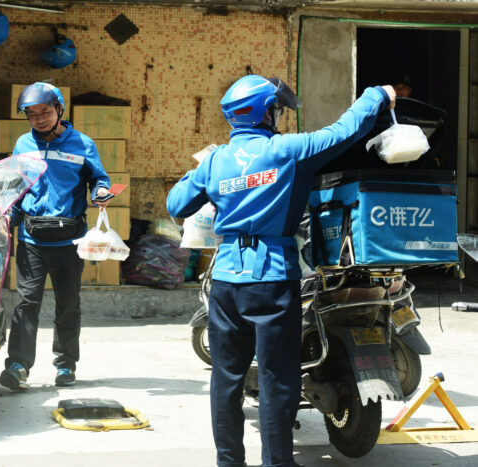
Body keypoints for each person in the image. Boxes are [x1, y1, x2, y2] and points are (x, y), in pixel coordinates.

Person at [166, 75, 396, 467]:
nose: (277, 116)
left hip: (225, 282)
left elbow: (176, 205)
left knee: (226, 380)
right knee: (278, 382)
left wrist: (213, 180)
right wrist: (378, 95)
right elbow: (344, 130)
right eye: (275, 109)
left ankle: (229, 462)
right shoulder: (289, 149)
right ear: (265, 113)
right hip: (272, 280)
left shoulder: (216, 160)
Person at [0, 83, 112, 390]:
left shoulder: (83, 144)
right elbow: (15, 186)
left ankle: (65, 365)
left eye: (45, 112)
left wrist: (101, 191)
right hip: (32, 239)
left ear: (59, 109)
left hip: (69, 241)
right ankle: (18, 365)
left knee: (68, 304)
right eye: (32, 114)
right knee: (26, 304)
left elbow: (98, 177)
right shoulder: (23, 144)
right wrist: (7, 215)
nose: (39, 119)